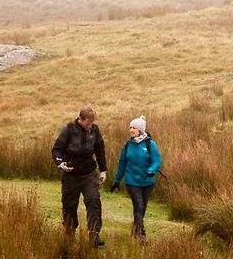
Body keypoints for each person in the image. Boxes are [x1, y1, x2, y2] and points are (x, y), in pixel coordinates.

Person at [52, 106, 108, 247]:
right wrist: (61, 164)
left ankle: (94, 235)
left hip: (88, 173)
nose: (89, 126)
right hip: (71, 173)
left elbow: (100, 150)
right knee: (69, 205)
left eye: (91, 123)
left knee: (93, 201)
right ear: (80, 119)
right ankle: (69, 234)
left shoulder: (95, 130)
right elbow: (57, 149)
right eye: (87, 123)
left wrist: (103, 170)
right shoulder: (69, 130)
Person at [109, 115, 162, 245]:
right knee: (138, 205)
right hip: (132, 181)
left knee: (142, 207)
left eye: (134, 128)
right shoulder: (128, 145)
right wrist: (117, 181)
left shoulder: (150, 144)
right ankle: (141, 234)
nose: (131, 130)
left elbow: (157, 160)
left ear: (141, 130)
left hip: (147, 182)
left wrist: (151, 171)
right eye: (130, 127)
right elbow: (122, 163)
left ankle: (136, 227)